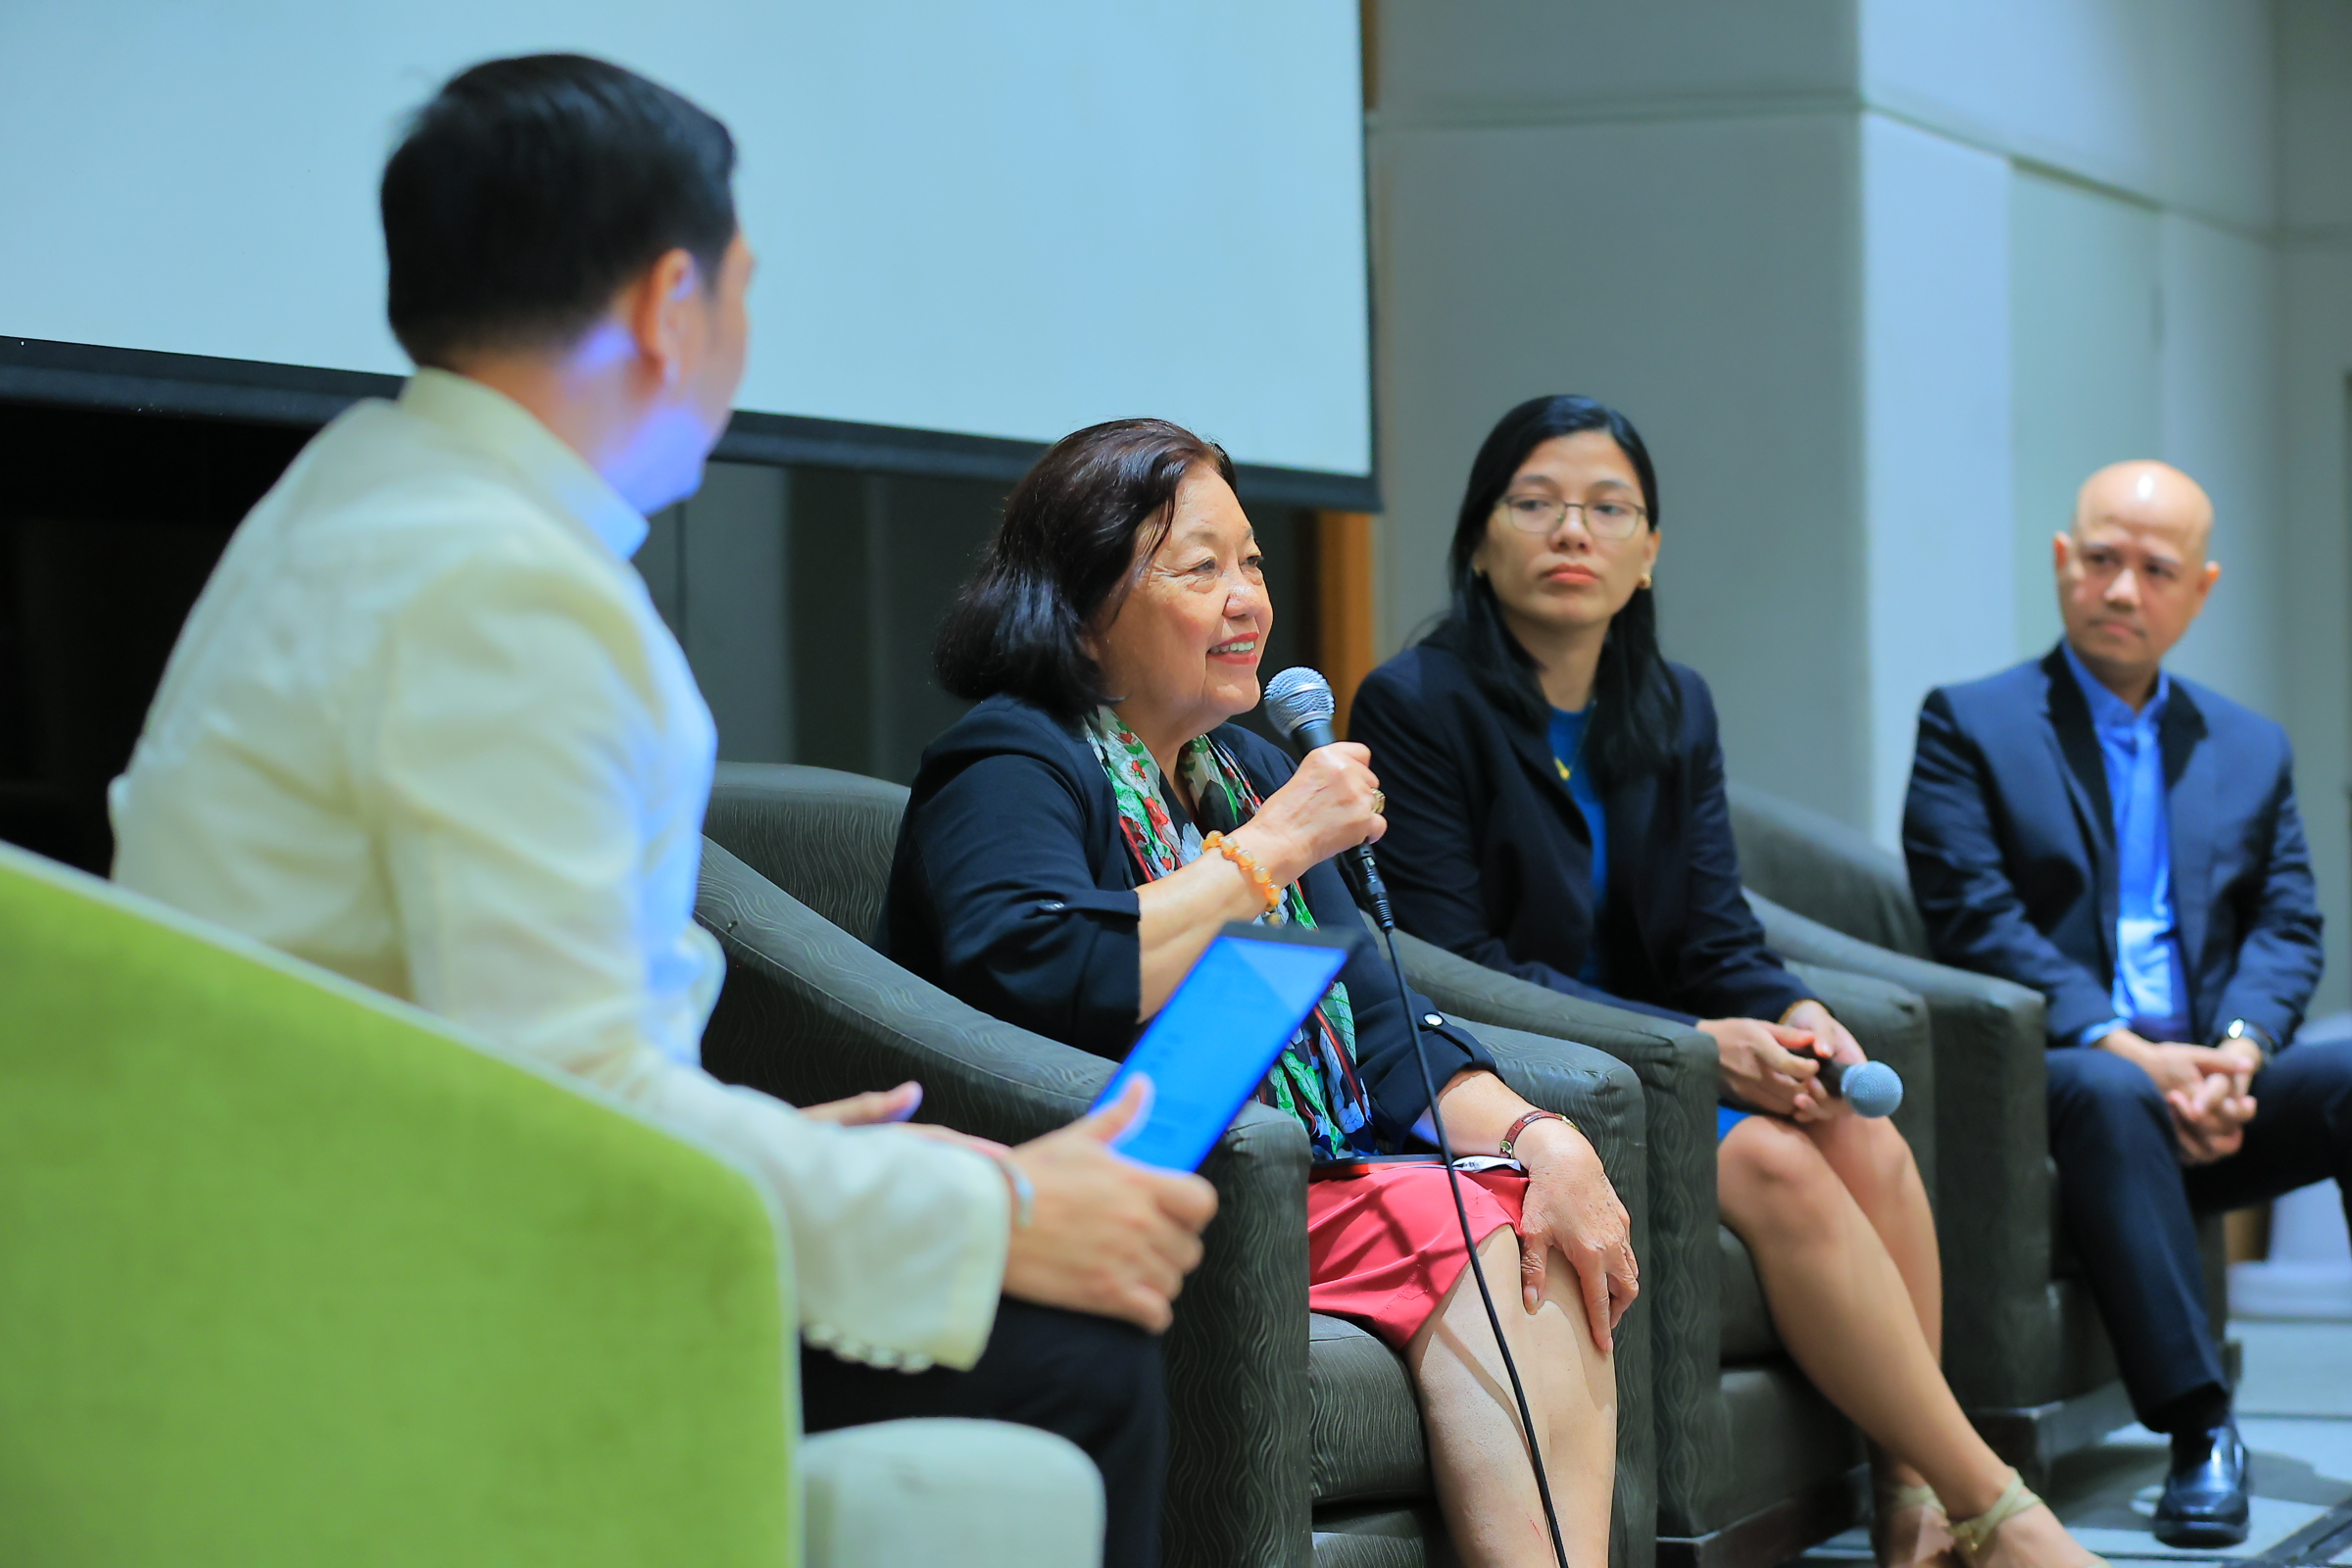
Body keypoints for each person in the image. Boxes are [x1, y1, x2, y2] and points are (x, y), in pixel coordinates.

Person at [106, 54, 1215, 1565]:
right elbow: (566, 1114)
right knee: (1079, 1353)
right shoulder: (500, 592)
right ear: (667, 302)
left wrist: (814, 1166)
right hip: (389, 1303)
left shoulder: (354, 508)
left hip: (318, 1223)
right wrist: (999, 1213)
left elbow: (514, 1060)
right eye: (744, 290)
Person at [1348, 395, 2106, 1568]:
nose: (1572, 531)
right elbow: (1459, 963)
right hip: (1538, 1066)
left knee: (1866, 1140)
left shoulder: (1672, 705)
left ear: (1648, 552)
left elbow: (1715, 929)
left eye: (1609, 509)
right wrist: (1706, 1044)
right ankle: (1998, 1509)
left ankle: (1911, 1499)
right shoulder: (1414, 704)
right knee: (1777, 1164)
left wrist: (1790, 1010)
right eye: (1536, 503)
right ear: (1480, 539)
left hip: (1671, 1044)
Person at [879, 417, 1637, 1568]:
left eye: (1253, 564)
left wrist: (1541, 1136)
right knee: (1474, 1226)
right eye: (1200, 569)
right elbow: (1051, 970)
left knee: (1528, 1213)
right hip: (1120, 1177)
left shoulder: (1241, 771)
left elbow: (1377, 1023)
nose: (1248, 602)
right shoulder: (1012, 759)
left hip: (1283, 1174)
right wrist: (1275, 847)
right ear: (1081, 608)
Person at [1904, 460, 2346, 1547]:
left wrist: (2237, 1053)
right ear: (2063, 561)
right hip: (2065, 1084)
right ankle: (2201, 1429)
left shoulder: (2248, 746)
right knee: (2110, 1090)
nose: (2120, 589)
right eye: (2100, 559)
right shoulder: (1972, 724)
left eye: (2154, 569)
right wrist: (2131, 1050)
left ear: (2200, 589)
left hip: (2212, 1082)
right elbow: (1975, 917)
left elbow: (2288, 925)